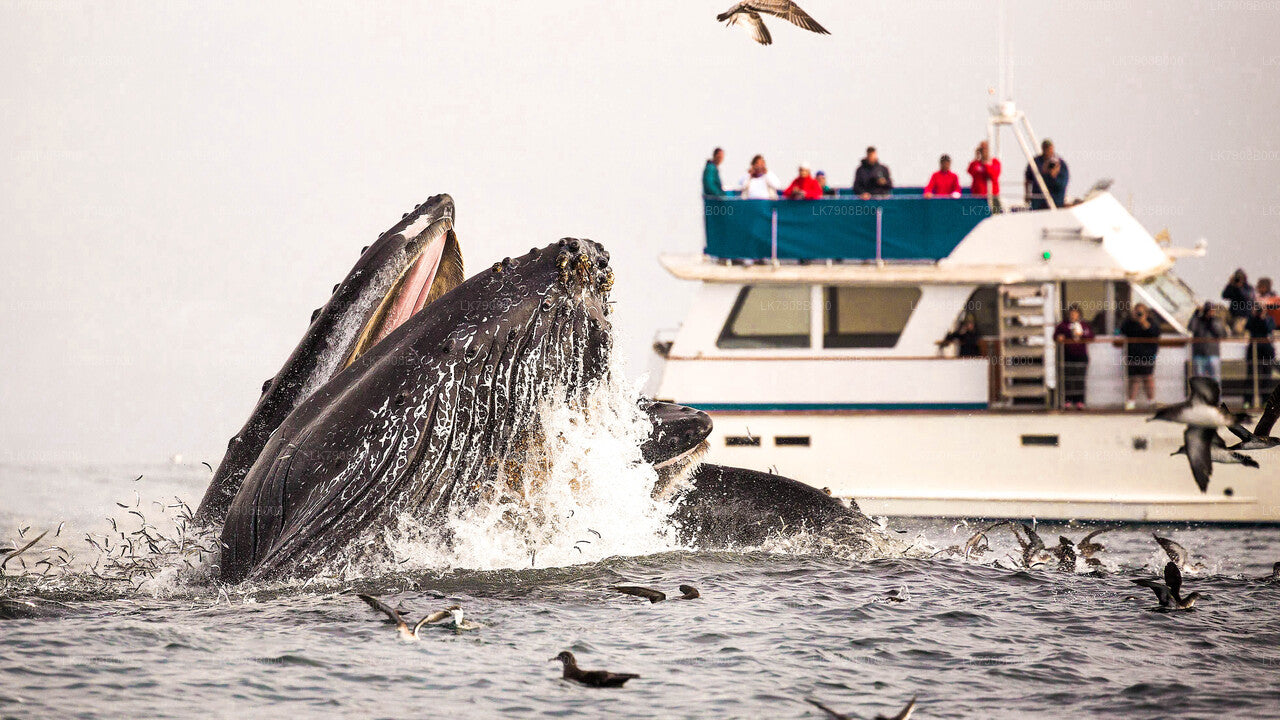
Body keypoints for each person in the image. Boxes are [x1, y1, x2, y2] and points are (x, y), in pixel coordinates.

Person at [1120, 303, 1160, 410]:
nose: (1138, 314)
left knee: (1148, 378)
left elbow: (1155, 333)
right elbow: (1122, 330)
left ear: (1146, 313)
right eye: (1137, 311)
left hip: (1148, 354)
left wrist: (1144, 322)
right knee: (1133, 379)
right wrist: (1131, 319)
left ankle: (1151, 401)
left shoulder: (1151, 322)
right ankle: (1131, 402)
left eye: (1141, 312)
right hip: (1133, 354)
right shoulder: (1130, 323)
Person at [1054, 305, 1094, 409]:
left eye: (1075, 313)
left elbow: (1091, 336)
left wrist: (1082, 335)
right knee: (1068, 379)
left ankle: (1079, 401)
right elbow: (1055, 336)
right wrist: (1060, 337)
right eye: (1071, 313)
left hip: (1081, 355)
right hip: (1067, 355)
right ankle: (1067, 400)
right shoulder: (1063, 325)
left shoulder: (1084, 325)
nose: (1073, 315)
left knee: (1079, 379)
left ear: (1079, 314)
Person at [1187, 302, 1227, 384]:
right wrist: (1195, 315)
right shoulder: (1198, 320)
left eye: (1212, 311)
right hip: (1199, 354)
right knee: (1199, 378)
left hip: (1213, 354)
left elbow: (1221, 334)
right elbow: (1191, 328)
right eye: (1209, 310)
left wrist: (1212, 322)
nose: (1211, 312)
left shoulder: (1217, 321)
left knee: (1215, 378)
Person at [1244, 303, 1276, 406]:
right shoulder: (1251, 318)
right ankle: (1248, 401)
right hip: (1253, 350)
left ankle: (1265, 401)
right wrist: (1254, 316)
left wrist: (1263, 318)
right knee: (1251, 376)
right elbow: (1248, 327)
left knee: (1266, 375)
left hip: (1266, 350)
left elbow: (1269, 329)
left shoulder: (1269, 319)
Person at [1024, 138, 1069, 210]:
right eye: (1045, 148)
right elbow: (1028, 179)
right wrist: (1027, 194)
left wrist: (1053, 175)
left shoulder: (1060, 164)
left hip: (1055, 201)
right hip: (1038, 201)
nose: (1047, 150)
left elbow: (1062, 184)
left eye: (1049, 148)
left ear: (1052, 148)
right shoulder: (1035, 162)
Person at [1221, 268, 1256, 335]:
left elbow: (1247, 298)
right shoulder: (1233, 287)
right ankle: (1221, 330)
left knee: (1237, 330)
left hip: (1243, 316)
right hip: (1232, 314)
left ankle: (1246, 334)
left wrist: (1239, 288)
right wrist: (1230, 285)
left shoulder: (1249, 288)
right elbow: (1224, 296)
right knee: (1219, 309)